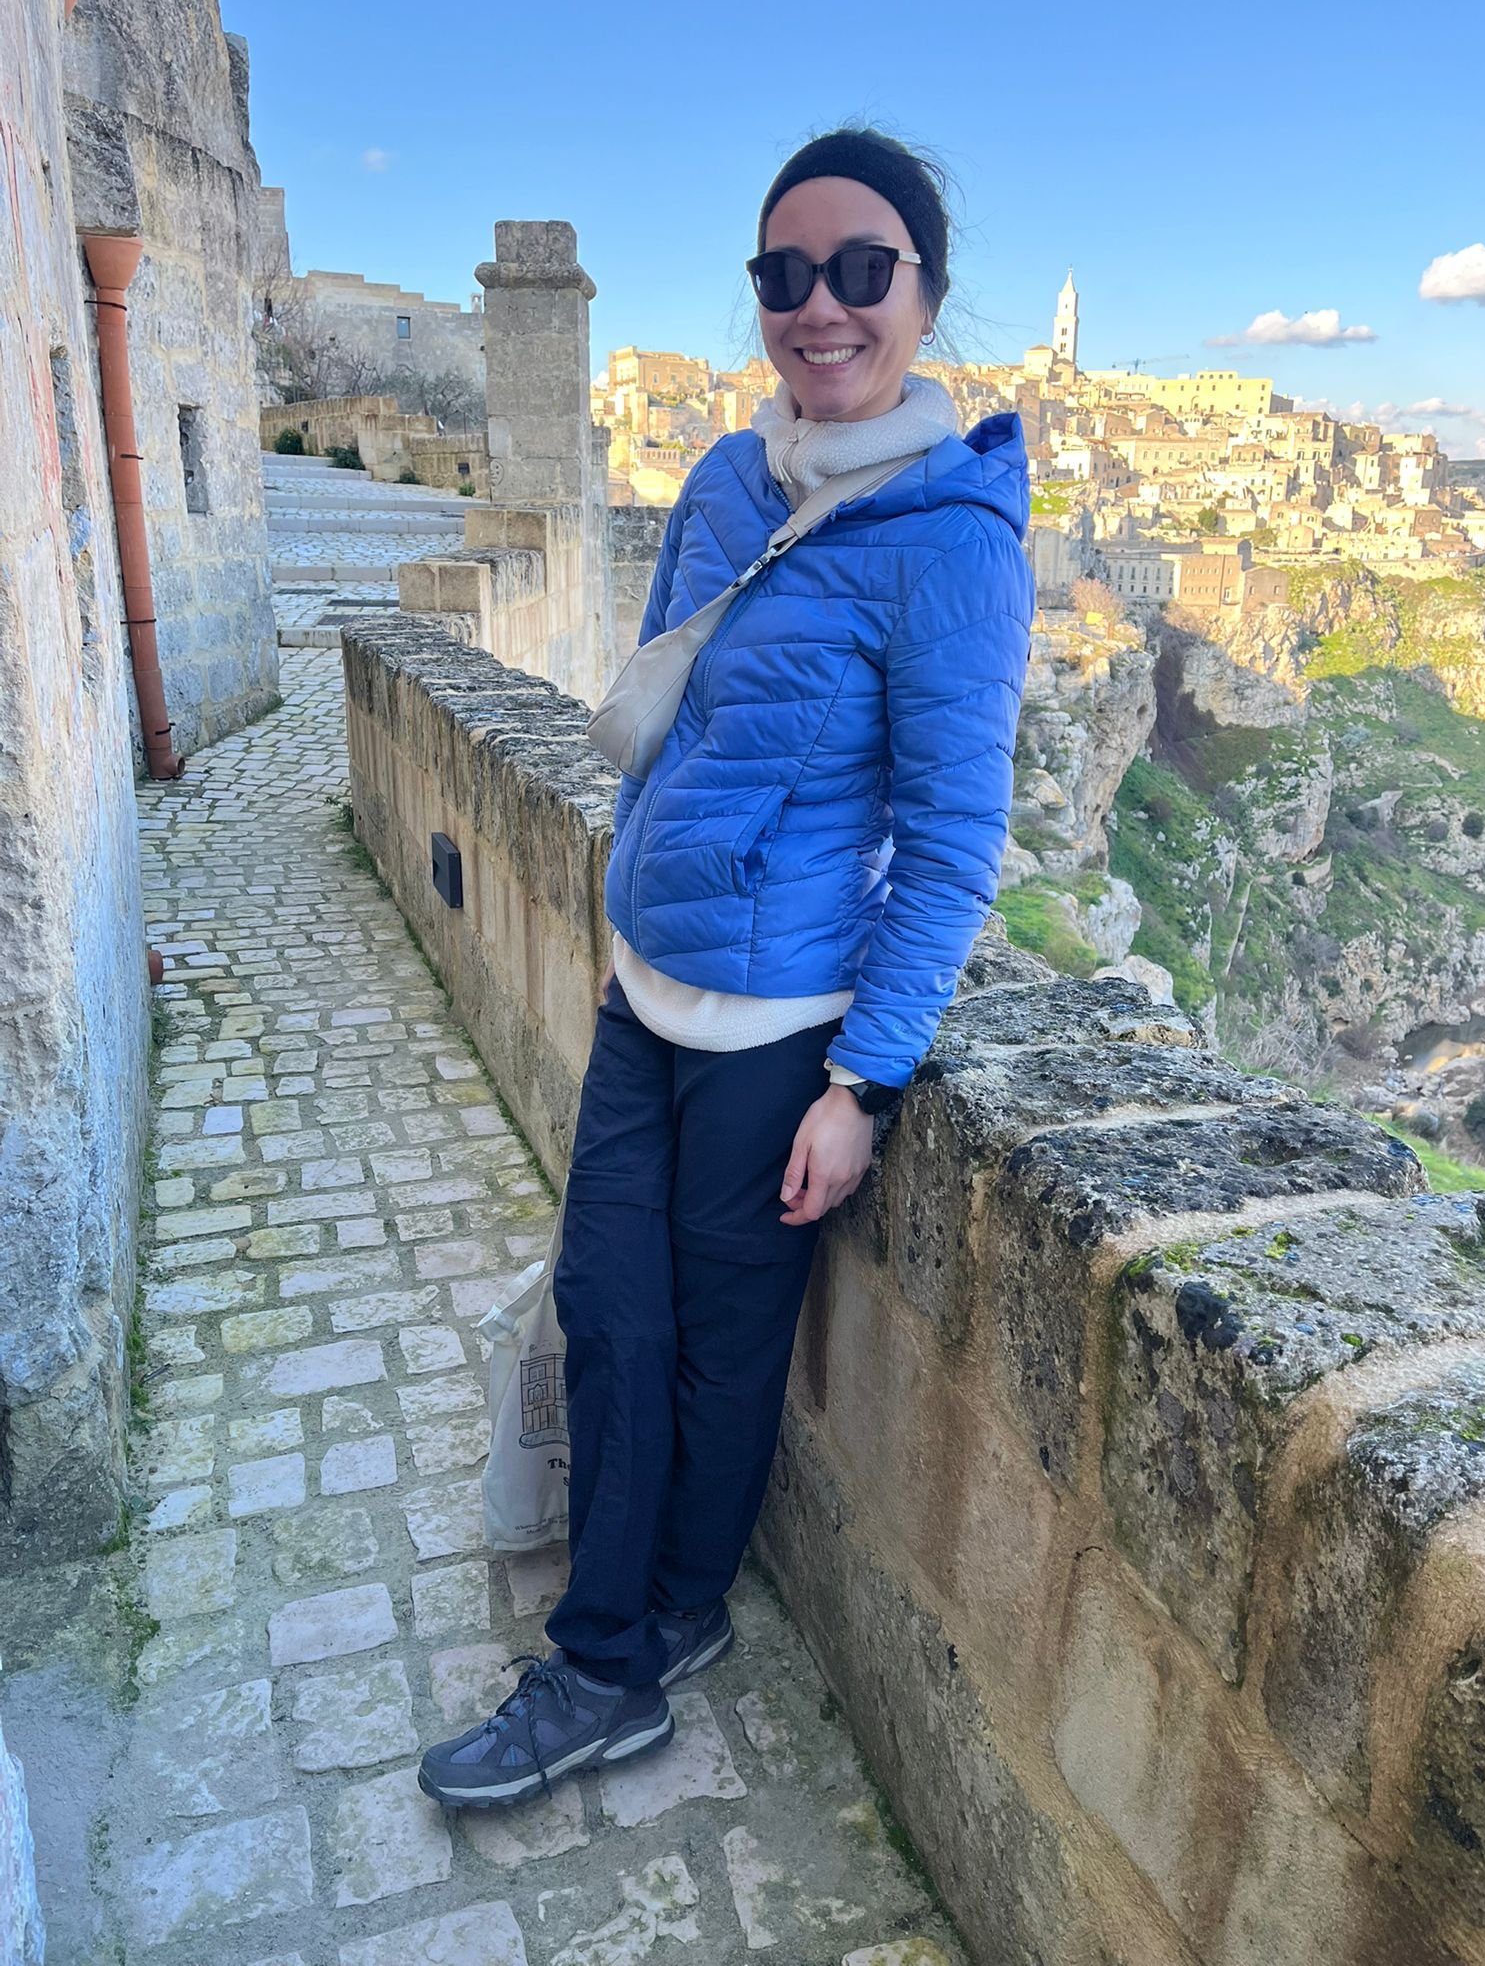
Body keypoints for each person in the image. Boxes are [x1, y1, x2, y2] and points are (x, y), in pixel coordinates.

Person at [418, 127, 1034, 1811]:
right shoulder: (721, 484)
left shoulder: (956, 541)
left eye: (860, 271)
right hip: (650, 985)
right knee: (609, 1314)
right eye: (786, 275)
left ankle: (618, 1656)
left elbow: (953, 840)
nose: (819, 306)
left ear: (923, 292)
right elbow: (663, 723)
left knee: (714, 1342)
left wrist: (865, 1083)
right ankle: (659, 1618)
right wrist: (630, 903)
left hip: (782, 1025)